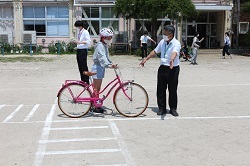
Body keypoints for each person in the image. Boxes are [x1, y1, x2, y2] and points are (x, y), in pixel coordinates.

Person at [140, 25, 181, 116]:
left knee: (172, 89)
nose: (163, 35)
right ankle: (162, 108)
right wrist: (146, 59)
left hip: (173, 69)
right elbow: (155, 51)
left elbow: (175, 52)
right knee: (161, 89)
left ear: (170, 35)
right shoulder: (162, 42)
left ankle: (173, 109)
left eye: (165, 34)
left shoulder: (176, 43)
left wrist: (171, 59)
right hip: (162, 68)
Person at [91, 28, 117, 113]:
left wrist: (111, 63)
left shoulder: (104, 45)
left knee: (97, 88)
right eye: (108, 38)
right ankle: (95, 106)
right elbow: (102, 58)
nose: (109, 39)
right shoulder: (100, 46)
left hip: (100, 68)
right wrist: (109, 65)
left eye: (110, 38)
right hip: (97, 68)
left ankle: (94, 104)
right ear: (103, 38)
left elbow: (106, 58)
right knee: (96, 89)